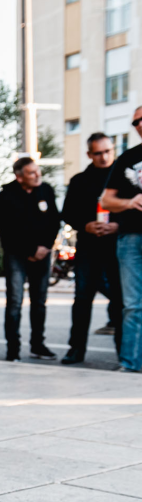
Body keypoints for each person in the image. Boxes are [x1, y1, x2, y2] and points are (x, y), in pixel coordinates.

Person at [62, 133, 122, 365]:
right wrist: (85, 225)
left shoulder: (123, 177)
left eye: (107, 151)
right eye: (98, 153)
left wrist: (118, 225)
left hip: (117, 248)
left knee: (120, 300)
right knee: (82, 299)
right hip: (88, 248)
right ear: (89, 154)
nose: (104, 157)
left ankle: (124, 352)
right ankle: (76, 350)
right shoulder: (79, 181)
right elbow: (67, 213)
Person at [0, 157, 60, 362]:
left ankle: (38, 346)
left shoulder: (46, 190)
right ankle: (13, 349)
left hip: (43, 254)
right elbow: (6, 230)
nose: (38, 175)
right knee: (15, 302)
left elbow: (54, 221)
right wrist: (30, 250)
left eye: (37, 171)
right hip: (17, 256)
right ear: (19, 177)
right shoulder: (6, 196)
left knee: (39, 302)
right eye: (32, 173)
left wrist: (46, 247)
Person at [100, 105, 142, 373]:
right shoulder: (128, 158)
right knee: (133, 305)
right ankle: (130, 362)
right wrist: (130, 202)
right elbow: (106, 200)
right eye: (135, 121)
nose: (139, 125)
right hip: (131, 239)